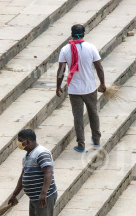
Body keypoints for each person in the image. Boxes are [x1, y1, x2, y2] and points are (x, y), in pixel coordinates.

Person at [9, 129, 58, 216]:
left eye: (20, 140)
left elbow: (48, 172)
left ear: (28, 141)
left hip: (44, 198)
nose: (19, 143)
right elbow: (23, 176)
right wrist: (14, 194)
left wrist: (43, 193)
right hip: (34, 197)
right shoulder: (27, 156)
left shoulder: (41, 153)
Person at [56, 24, 106, 153]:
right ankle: (96, 140)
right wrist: (103, 84)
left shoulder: (65, 50)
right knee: (93, 113)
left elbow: (61, 71)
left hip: (74, 90)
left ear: (71, 34)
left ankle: (81, 145)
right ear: (84, 34)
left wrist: (58, 86)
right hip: (90, 88)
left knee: (78, 117)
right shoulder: (91, 48)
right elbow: (99, 68)